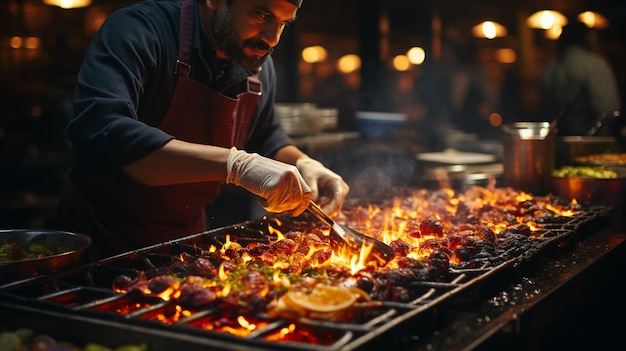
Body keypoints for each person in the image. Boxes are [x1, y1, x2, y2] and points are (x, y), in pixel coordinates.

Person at [55, 0, 349, 258]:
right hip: (99, 239)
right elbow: (103, 130)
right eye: (261, 15)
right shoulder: (138, 30)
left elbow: (264, 135)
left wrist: (303, 162)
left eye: (283, 23)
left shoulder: (256, 61)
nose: (272, 39)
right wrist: (237, 166)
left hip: (185, 246)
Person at [539, 20, 621, 136]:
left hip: (556, 140)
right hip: (591, 143)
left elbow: (544, 107)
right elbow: (609, 110)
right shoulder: (594, 65)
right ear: (587, 38)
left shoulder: (549, 67)